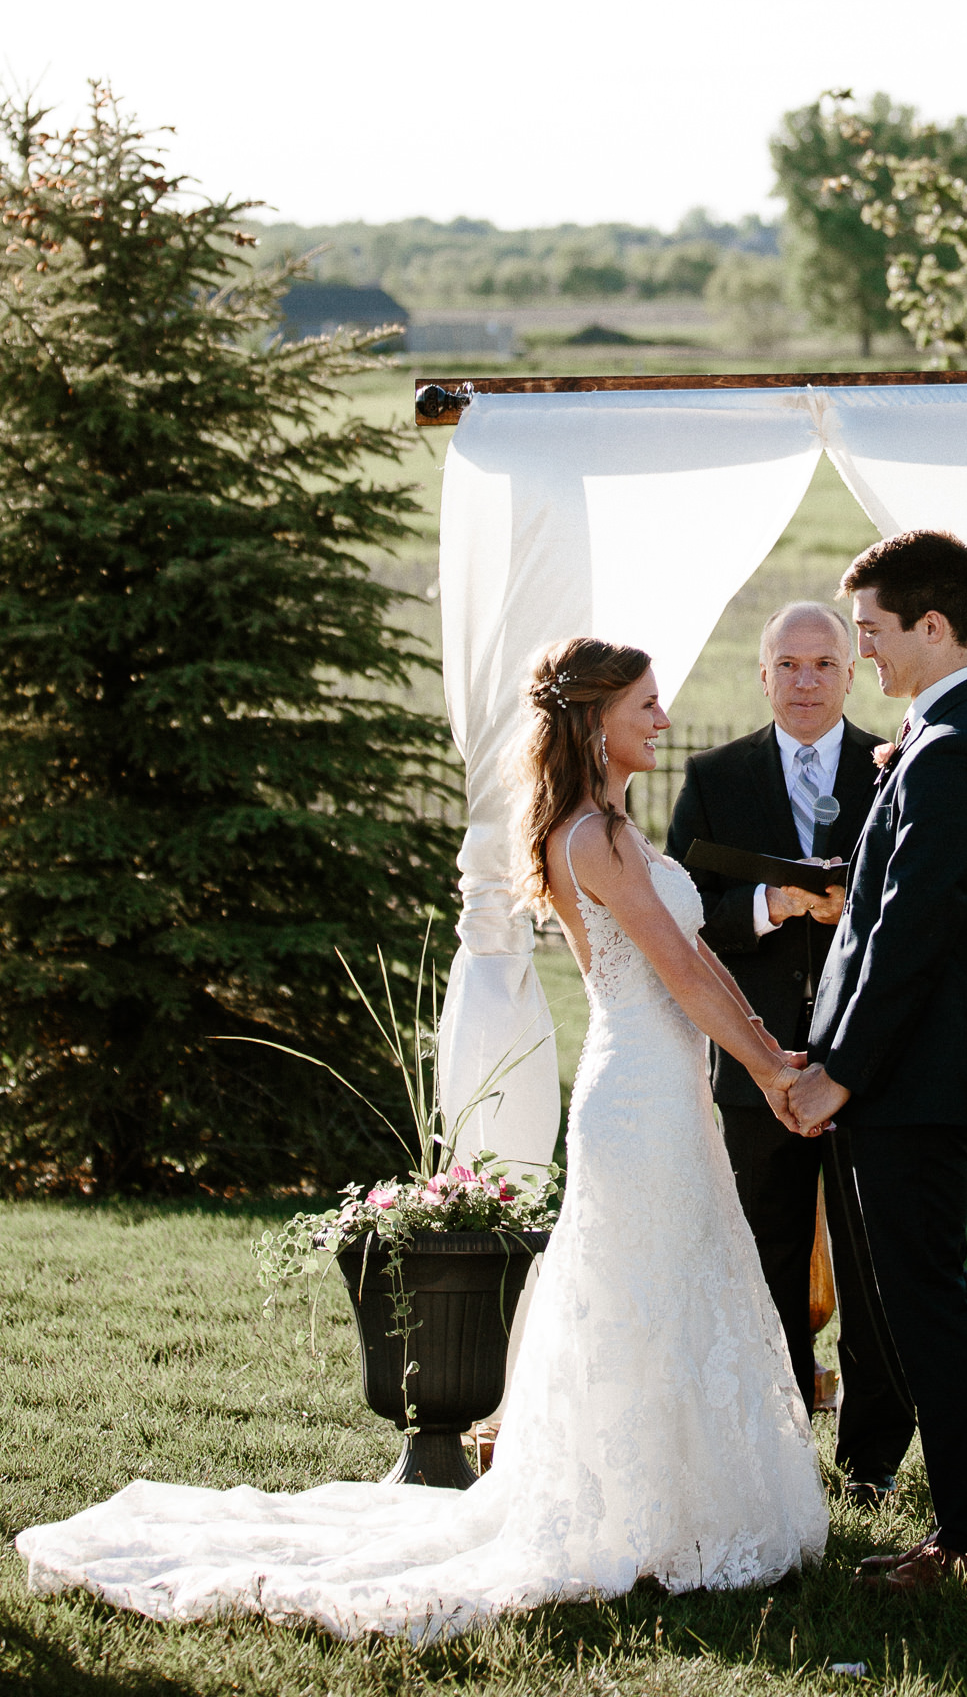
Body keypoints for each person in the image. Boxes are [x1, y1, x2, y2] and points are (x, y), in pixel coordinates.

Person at [17, 638, 827, 1639]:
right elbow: (678, 971)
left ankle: (678, 1504)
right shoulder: (594, 839)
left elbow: (700, 955)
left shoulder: (615, 828)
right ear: (594, 718)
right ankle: (639, 1512)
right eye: (647, 704)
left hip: (667, 1088)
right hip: (638, 1098)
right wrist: (768, 1070)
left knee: (670, 1288)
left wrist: (773, 1055)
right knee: (642, 1295)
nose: (663, 718)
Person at [787, 531, 967, 1594]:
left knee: (927, 1299)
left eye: (874, 633)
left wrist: (837, 1067)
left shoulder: (961, 745)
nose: (864, 654)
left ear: (932, 625)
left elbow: (908, 933)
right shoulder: (943, 734)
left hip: (915, 1071)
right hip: (905, 1065)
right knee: (913, 1298)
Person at [668, 602, 916, 1502]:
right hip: (754, 1065)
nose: (806, 681)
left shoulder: (893, 766)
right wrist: (772, 906)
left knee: (871, 1268)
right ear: (763, 675)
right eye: (789, 665)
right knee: (764, 1262)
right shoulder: (715, 775)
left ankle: (872, 1463)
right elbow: (678, 920)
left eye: (824, 663)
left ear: (851, 673)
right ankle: (773, 1455)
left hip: (865, 1066)